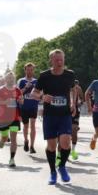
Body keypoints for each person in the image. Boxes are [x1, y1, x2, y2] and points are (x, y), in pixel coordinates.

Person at [32, 49, 76, 185]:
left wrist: (73, 102)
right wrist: (42, 97)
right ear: (51, 60)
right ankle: (52, 172)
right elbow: (34, 93)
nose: (59, 62)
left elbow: (73, 89)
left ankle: (62, 166)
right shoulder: (44, 76)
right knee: (51, 145)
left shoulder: (70, 74)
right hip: (50, 115)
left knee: (65, 142)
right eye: (56, 59)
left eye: (61, 59)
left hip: (64, 114)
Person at [0, 72, 23, 167]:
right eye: (9, 78)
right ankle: (2, 141)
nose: (11, 79)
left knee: (14, 139)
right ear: (5, 79)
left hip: (15, 118)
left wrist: (21, 101)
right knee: (5, 137)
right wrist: (4, 102)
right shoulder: (0, 90)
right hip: (3, 118)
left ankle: (12, 159)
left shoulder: (17, 90)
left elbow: (21, 101)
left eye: (12, 78)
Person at [18, 63, 39, 154]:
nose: (30, 71)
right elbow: (18, 93)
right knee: (26, 126)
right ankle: (26, 140)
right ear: (25, 70)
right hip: (24, 107)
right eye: (28, 69)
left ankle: (32, 146)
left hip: (33, 106)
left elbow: (40, 93)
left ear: (33, 70)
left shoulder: (36, 81)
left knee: (33, 125)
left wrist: (37, 95)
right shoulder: (22, 81)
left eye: (31, 70)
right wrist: (26, 87)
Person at [69, 79, 85, 161]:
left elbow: (82, 99)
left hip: (75, 111)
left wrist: (80, 102)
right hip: (64, 111)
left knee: (74, 131)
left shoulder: (78, 88)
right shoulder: (64, 86)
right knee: (65, 133)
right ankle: (63, 151)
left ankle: (73, 150)